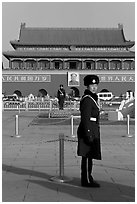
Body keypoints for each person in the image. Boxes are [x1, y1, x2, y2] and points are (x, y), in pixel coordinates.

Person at [77, 75, 101, 187]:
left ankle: (89, 177)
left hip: (92, 130)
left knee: (90, 156)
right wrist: (88, 133)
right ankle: (85, 180)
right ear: (87, 86)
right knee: (86, 156)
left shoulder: (93, 98)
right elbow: (85, 118)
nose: (94, 87)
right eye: (92, 85)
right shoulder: (87, 99)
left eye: (96, 85)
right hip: (88, 131)